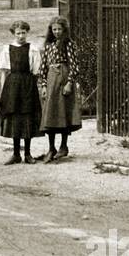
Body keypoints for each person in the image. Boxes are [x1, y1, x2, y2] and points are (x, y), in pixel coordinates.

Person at [0, 19, 43, 164]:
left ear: (27, 33)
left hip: (28, 85)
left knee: (27, 116)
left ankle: (28, 154)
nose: (21, 36)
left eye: (23, 33)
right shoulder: (7, 49)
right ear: (13, 34)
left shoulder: (32, 49)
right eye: (18, 33)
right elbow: (4, 72)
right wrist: (4, 91)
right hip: (12, 86)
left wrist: (35, 88)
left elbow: (36, 72)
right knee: (15, 118)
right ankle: (16, 153)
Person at [41, 15, 82, 161]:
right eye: (54, 29)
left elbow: (75, 65)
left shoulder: (69, 44)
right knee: (50, 114)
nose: (56, 32)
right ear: (50, 30)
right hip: (51, 81)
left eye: (59, 29)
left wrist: (69, 83)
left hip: (64, 79)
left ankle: (63, 146)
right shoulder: (48, 46)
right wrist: (44, 86)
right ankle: (51, 148)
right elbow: (43, 67)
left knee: (63, 113)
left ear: (64, 30)